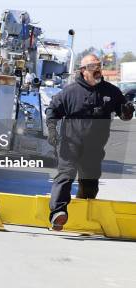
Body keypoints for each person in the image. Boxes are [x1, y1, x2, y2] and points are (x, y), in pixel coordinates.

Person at [45, 54, 134, 230]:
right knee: (65, 175)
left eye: (99, 66)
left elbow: (125, 115)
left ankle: (84, 211)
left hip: (94, 148)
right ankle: (58, 213)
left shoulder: (111, 91)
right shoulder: (69, 92)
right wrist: (52, 131)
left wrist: (127, 111)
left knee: (90, 184)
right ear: (83, 70)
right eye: (93, 66)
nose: (98, 69)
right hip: (70, 143)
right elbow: (52, 110)